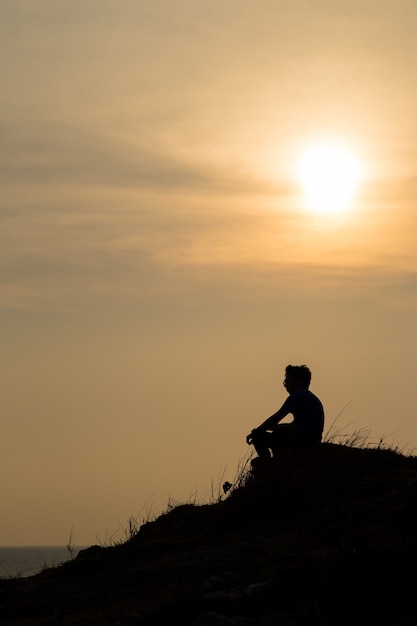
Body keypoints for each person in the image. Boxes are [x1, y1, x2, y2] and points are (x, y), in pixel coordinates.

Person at [246, 364, 324, 462]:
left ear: (298, 381)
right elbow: (301, 424)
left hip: (300, 442)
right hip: (313, 441)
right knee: (280, 430)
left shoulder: (297, 396)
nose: (285, 384)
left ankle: (267, 464)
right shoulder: (311, 398)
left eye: (288, 380)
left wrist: (257, 431)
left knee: (258, 436)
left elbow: (275, 419)